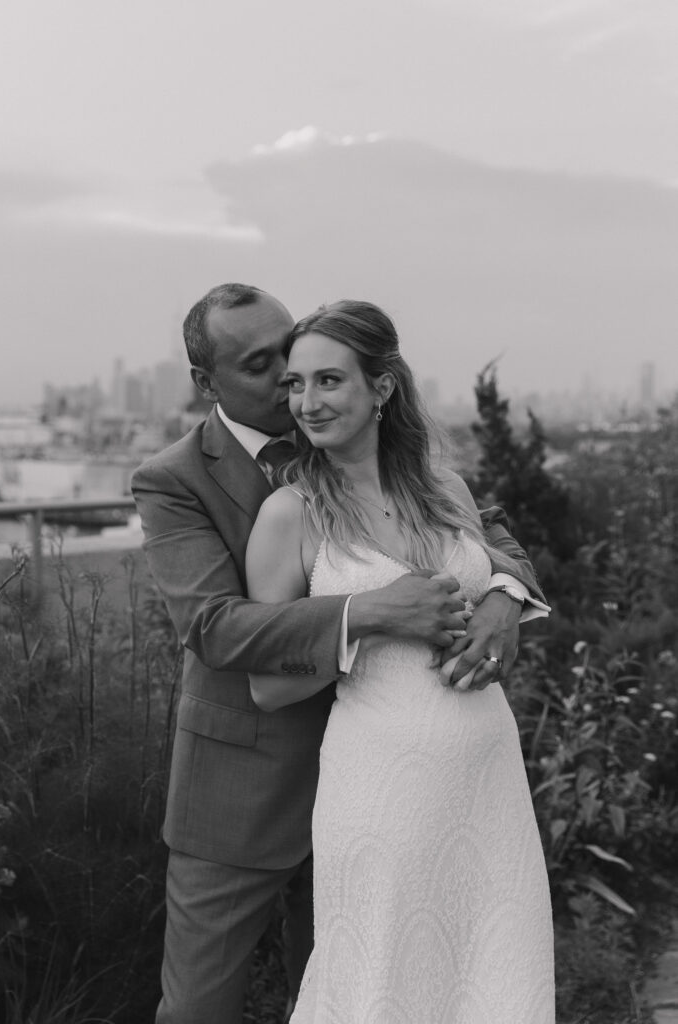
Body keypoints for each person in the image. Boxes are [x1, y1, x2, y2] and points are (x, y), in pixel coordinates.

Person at [131, 283, 548, 1024]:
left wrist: (503, 601)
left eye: (303, 361)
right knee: (199, 1008)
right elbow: (214, 626)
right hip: (246, 785)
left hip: (418, 783)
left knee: (400, 982)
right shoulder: (174, 478)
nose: (294, 382)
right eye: (269, 368)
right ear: (206, 383)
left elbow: (494, 543)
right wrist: (369, 611)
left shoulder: (409, 461)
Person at [246, 299, 555, 1024]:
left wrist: (503, 598)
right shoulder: (288, 515)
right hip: (379, 786)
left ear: (381, 388)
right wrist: (373, 618)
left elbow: (500, 564)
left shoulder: (447, 491)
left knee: (497, 976)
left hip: (486, 779)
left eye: (328, 381)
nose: (306, 402)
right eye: (295, 385)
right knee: (379, 983)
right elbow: (266, 684)